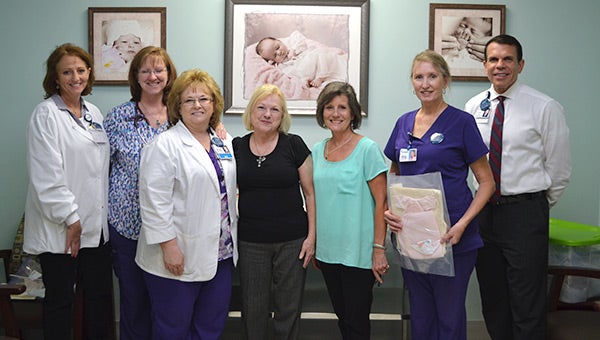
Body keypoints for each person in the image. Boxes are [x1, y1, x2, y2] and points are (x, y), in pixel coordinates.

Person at [465, 34, 571, 340]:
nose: (500, 66)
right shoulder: (473, 106)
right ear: (484, 65)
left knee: (527, 299)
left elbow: (559, 168)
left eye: (507, 59)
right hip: (484, 213)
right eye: (494, 59)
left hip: (525, 213)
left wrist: (533, 205)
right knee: (493, 295)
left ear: (520, 65)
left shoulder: (544, 106)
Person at [383, 50, 495, 340]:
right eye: (419, 77)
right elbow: (395, 175)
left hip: (452, 237)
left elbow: (487, 183)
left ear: (445, 80)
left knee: (448, 316)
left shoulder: (461, 122)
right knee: (420, 314)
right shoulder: (403, 123)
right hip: (411, 237)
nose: (425, 83)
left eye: (432, 76)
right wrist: (390, 213)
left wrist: (462, 225)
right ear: (412, 82)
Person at [135, 69, 237, 339]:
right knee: (173, 328)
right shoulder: (164, 145)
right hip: (177, 254)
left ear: (214, 104)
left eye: (204, 99)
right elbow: (153, 201)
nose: (198, 105)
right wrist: (169, 247)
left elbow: (226, 191)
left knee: (210, 326)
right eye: (189, 100)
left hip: (221, 254)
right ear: (177, 107)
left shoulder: (222, 142)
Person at [24, 43, 113, 339]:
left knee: (99, 302)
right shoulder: (46, 114)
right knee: (61, 303)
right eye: (67, 72)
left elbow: (98, 171)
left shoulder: (94, 113)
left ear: (89, 72)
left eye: (80, 70)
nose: (75, 77)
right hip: (63, 229)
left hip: (95, 230)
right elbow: (46, 175)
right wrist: (71, 219)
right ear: (56, 77)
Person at [104, 46, 177, 340]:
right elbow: (101, 170)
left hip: (170, 229)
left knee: (167, 304)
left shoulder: (182, 114)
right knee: (134, 303)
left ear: (169, 75)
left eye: (159, 69)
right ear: (135, 76)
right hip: (127, 226)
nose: (153, 76)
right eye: (145, 70)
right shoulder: (118, 117)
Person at [232, 83, 316, 339]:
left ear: (282, 116)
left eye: (275, 110)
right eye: (261, 107)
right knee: (252, 308)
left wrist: (311, 238)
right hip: (250, 241)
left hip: (292, 241)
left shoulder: (294, 145)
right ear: (251, 111)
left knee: (288, 308)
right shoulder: (235, 146)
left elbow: (310, 194)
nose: (267, 114)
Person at [312, 81, 389, 339]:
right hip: (327, 253)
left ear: (353, 113)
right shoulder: (317, 151)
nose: (336, 113)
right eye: (329, 107)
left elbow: (382, 203)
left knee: (356, 322)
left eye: (342, 107)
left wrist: (379, 249)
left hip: (358, 252)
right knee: (343, 319)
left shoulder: (367, 149)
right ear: (322, 112)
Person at [255, 31, 348, 88]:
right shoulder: (281, 65)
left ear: (280, 42)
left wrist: (294, 51)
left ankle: (321, 76)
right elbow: (290, 74)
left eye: (277, 47)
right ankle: (317, 78)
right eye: (275, 55)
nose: (279, 52)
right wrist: (304, 80)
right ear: (272, 60)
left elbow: (301, 41)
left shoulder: (292, 45)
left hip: (313, 60)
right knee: (297, 72)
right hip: (306, 70)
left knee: (320, 53)